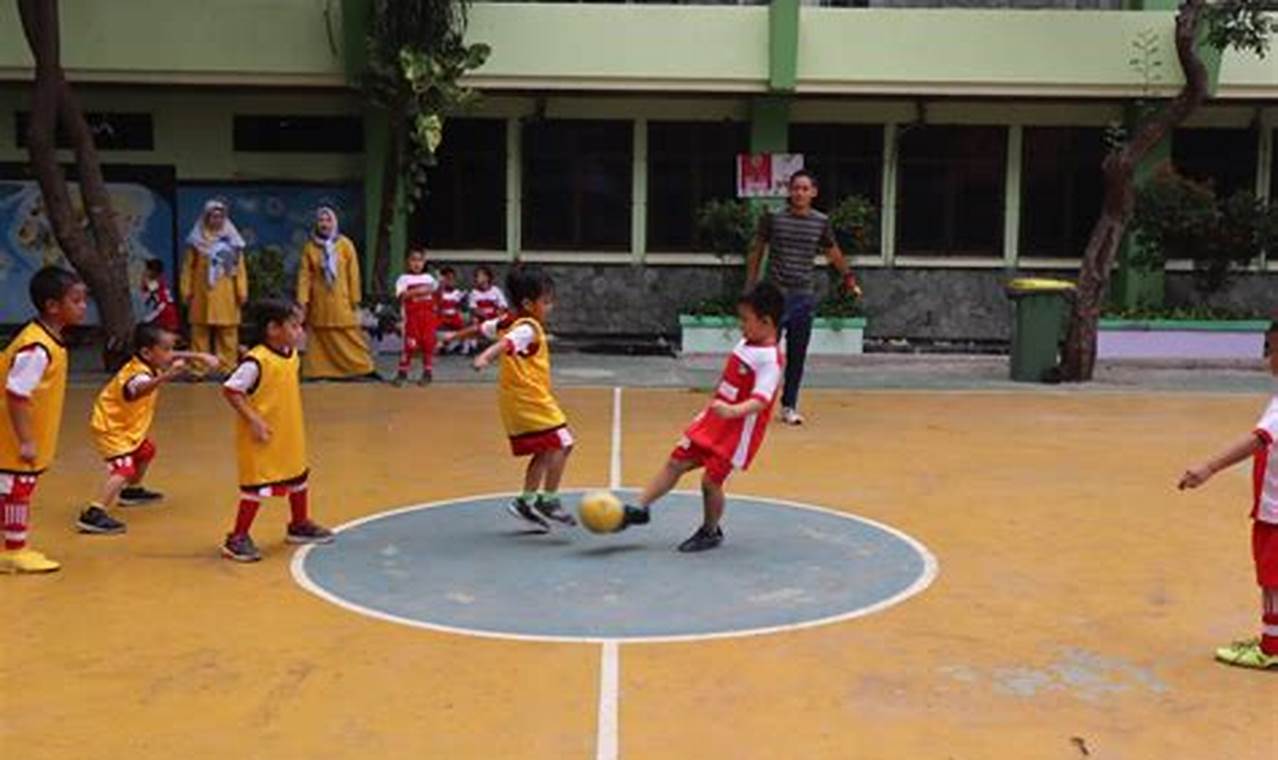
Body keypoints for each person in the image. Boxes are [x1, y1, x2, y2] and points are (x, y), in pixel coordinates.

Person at [619, 282, 785, 552]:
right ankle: (640, 508)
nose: (740, 325)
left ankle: (710, 531)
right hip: (714, 419)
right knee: (675, 462)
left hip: (736, 431)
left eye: (745, 320)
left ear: (766, 322)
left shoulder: (770, 360)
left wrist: (733, 410)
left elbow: (761, 400)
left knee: (710, 482)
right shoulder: (749, 341)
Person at [1178, 320, 1278, 670]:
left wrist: (1208, 467)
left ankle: (1271, 648)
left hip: (1275, 511)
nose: (1269, 359)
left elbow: (1257, 440)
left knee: (1272, 580)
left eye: (1272, 350)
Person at [76, 324, 218, 535]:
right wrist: (167, 376)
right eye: (166, 350)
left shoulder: (149, 359)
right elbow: (138, 389)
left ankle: (132, 491)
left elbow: (168, 355)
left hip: (127, 427)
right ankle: (95, 512)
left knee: (146, 450)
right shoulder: (137, 374)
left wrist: (198, 356)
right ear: (147, 352)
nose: (171, 354)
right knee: (123, 469)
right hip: (111, 428)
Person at [745, 170, 861, 427]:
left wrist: (849, 277)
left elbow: (833, 252)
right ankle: (751, 405)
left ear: (813, 193)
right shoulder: (773, 218)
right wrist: (750, 285)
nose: (799, 193)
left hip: (802, 296)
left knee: (797, 355)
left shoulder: (820, 222)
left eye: (805, 189)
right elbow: (757, 250)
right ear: (789, 191)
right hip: (773, 295)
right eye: (795, 188)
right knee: (763, 353)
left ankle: (789, 406)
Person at [220, 299, 334, 562]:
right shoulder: (256, 361)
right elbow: (231, 390)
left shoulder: (290, 354)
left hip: (288, 432)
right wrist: (254, 420)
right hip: (261, 435)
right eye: (294, 326)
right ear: (273, 328)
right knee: (256, 487)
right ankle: (237, 537)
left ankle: (299, 524)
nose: (300, 332)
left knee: (298, 477)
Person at [468, 268, 577, 532]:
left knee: (544, 449)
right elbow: (505, 344)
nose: (550, 307)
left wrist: (451, 336)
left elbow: (482, 328)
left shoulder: (509, 320)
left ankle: (525, 502)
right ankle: (548, 500)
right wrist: (485, 357)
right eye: (546, 301)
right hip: (530, 400)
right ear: (528, 304)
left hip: (519, 399)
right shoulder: (527, 328)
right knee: (564, 442)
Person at [0, 266, 87, 573]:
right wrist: (25, 439)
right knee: (16, 490)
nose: (83, 307)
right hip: (11, 437)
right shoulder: (37, 348)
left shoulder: (46, 341)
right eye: (76, 301)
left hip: (20, 433)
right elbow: (16, 393)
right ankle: (14, 549)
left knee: (12, 488)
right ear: (52, 306)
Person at [296, 206, 374, 380]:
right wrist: (302, 300)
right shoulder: (310, 247)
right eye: (321, 220)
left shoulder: (345, 244)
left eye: (328, 220)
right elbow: (304, 276)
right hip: (319, 300)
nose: (324, 224)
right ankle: (318, 371)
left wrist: (355, 299)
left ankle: (360, 368)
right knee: (319, 336)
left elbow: (353, 274)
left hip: (341, 299)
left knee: (348, 333)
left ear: (334, 222)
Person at [180, 199, 248, 375]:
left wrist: (241, 291)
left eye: (220, 217)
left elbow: (239, 269)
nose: (216, 220)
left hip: (226, 293)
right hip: (201, 293)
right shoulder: (196, 241)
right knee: (199, 333)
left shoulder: (233, 241)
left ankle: (228, 368)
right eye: (213, 216)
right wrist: (185, 290)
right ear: (206, 218)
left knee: (228, 333)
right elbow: (188, 267)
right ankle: (198, 369)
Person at [394, 248, 439, 386]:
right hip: (412, 317)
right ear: (408, 262)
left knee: (428, 344)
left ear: (424, 262)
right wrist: (420, 290)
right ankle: (402, 373)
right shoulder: (403, 279)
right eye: (413, 259)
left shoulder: (429, 278)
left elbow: (435, 291)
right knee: (410, 345)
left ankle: (427, 372)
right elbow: (402, 296)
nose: (416, 263)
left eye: (420, 260)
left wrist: (418, 292)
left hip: (428, 317)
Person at [466, 265, 507, 355]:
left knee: (504, 319)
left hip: (495, 317)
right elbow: (473, 308)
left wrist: (499, 313)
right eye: (476, 276)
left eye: (480, 276)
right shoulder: (474, 293)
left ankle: (502, 346)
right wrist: (484, 315)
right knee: (474, 320)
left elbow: (503, 305)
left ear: (487, 277)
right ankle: (473, 347)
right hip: (482, 318)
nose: (477, 278)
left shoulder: (496, 291)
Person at [141, 259, 180, 333]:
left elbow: (162, 305)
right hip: (165, 313)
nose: (145, 271)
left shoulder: (157, 283)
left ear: (154, 272)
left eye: (148, 269)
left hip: (167, 315)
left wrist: (148, 318)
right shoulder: (160, 281)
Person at [437, 266, 467, 354]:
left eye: (452, 279)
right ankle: (445, 344)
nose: (450, 281)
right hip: (442, 317)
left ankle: (457, 344)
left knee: (463, 322)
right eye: (447, 278)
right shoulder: (439, 292)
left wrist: (463, 300)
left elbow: (462, 307)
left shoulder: (457, 293)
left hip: (454, 318)